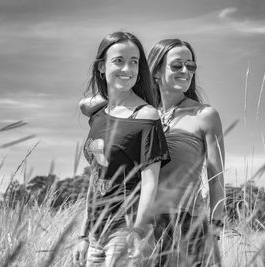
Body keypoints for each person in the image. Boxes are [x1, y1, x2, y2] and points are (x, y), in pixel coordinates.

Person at [80, 38, 225, 266]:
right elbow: (87, 105)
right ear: (155, 71)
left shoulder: (204, 115)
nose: (186, 71)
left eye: (191, 66)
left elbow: (216, 179)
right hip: (139, 222)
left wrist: (215, 230)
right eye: (177, 65)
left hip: (183, 221)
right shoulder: (142, 113)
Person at [73, 31, 170, 267]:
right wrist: (84, 235)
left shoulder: (146, 116)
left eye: (134, 62)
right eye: (118, 60)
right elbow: (96, 178)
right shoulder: (98, 116)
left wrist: (138, 233)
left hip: (124, 230)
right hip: (96, 231)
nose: (127, 69)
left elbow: (150, 182)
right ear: (101, 67)